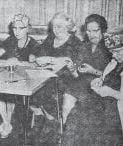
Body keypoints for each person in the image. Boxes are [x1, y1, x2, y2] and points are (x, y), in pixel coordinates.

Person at [34, 12, 86, 145]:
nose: (56, 30)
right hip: (48, 77)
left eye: (60, 27)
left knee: (50, 90)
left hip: (69, 79)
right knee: (36, 88)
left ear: (68, 26)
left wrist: (51, 60)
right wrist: (45, 59)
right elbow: (39, 56)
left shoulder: (75, 42)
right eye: (54, 27)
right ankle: (51, 121)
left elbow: (73, 64)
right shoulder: (50, 39)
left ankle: (53, 125)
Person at [62, 14, 113, 145]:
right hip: (81, 84)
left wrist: (93, 71)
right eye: (88, 31)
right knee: (67, 100)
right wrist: (73, 69)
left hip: (100, 86)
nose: (91, 34)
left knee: (79, 113)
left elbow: (114, 76)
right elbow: (77, 75)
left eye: (95, 31)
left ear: (103, 30)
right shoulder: (84, 47)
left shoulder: (110, 48)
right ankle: (66, 138)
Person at [0, 14, 41, 138]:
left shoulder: (33, 44)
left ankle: (6, 124)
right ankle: (6, 123)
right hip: (8, 76)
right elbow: (0, 52)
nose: (17, 31)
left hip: (26, 80)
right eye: (14, 28)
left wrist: (20, 62)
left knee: (10, 95)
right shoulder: (10, 40)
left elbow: (35, 63)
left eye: (21, 28)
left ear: (28, 29)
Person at [90, 29, 123, 145]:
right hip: (109, 103)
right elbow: (105, 77)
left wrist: (110, 92)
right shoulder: (115, 61)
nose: (114, 55)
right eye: (112, 52)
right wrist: (100, 80)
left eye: (118, 51)